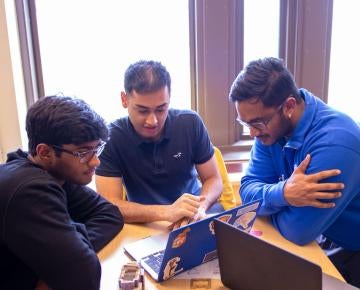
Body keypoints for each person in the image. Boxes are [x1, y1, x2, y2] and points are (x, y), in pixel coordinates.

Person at [228, 57, 360, 287]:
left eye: (257, 123)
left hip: (351, 250)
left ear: (289, 106)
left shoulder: (336, 144)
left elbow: (298, 230)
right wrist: (284, 194)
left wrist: (267, 206)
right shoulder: (269, 131)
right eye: (244, 123)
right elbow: (247, 192)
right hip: (321, 237)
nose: (251, 133)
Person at [0, 96, 124, 290]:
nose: (95, 162)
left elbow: (110, 214)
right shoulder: (29, 189)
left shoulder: (54, 173)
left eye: (97, 149)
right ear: (45, 152)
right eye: (83, 153)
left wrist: (68, 253)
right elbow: (83, 277)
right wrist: (69, 258)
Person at [95, 60, 223, 228]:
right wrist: (167, 212)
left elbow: (213, 179)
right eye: (142, 110)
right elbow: (110, 204)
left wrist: (199, 208)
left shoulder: (190, 123)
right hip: (145, 222)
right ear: (124, 99)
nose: (152, 121)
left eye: (161, 109)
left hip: (194, 214)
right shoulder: (111, 137)